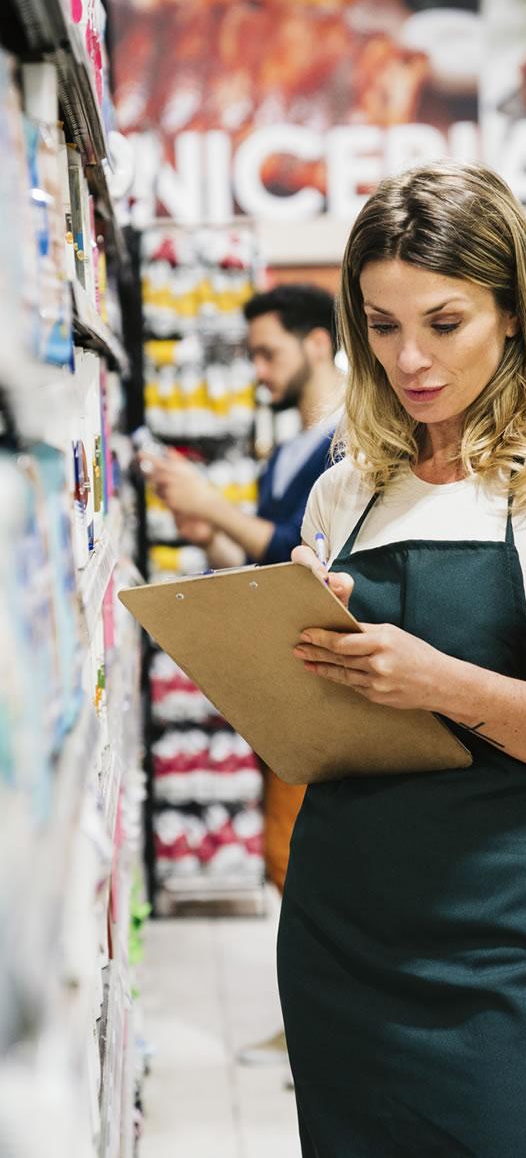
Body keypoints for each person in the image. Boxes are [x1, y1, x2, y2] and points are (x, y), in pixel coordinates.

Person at [279, 161, 526, 1156]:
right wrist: (287, 648)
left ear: (512, 312)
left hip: (517, 930)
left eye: (442, 323)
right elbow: (310, 737)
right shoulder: (347, 491)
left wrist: (436, 680)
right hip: (348, 924)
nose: (408, 357)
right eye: (380, 325)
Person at [140, 283, 343, 1067]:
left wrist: (213, 505)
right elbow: (256, 565)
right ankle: (318, 1025)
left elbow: (300, 555)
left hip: (320, 688)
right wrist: (204, 528)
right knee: (289, 860)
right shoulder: (286, 446)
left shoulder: (345, 443)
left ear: (317, 343)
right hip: (282, 687)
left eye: (269, 352)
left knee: (305, 862)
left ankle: (328, 1035)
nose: (258, 371)